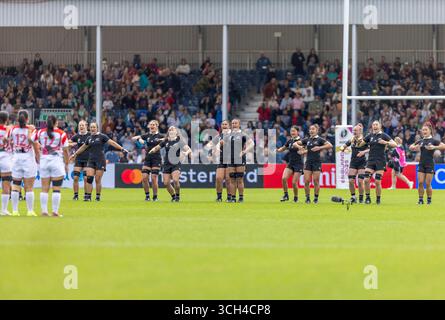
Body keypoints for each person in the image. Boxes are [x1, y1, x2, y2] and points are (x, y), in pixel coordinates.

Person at [70, 122, 127, 201]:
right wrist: (75, 154)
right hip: (91, 160)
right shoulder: (89, 138)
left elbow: (112, 142)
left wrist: (122, 148)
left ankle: (97, 196)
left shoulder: (102, 136)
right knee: (89, 179)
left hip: (100, 160)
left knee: (97, 179)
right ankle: (88, 197)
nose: (92, 129)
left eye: (94, 127)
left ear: (97, 128)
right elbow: (83, 147)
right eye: (91, 127)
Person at [34, 115, 69, 217]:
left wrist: (38, 150)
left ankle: (44, 211)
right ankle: (54, 212)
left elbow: (31, 139)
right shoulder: (61, 133)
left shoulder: (40, 132)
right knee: (56, 188)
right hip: (56, 161)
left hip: (44, 160)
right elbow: (66, 150)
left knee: (44, 188)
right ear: (56, 122)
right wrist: (66, 164)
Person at [7, 110, 39, 217]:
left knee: (15, 185)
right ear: (27, 119)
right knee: (29, 186)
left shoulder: (13, 129)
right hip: (28, 157)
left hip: (16, 157)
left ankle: (15, 211)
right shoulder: (31, 129)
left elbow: (6, 139)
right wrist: (38, 157)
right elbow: (34, 143)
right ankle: (30, 211)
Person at [148, 126, 192, 202]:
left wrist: (186, 153)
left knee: (175, 180)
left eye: (173, 129)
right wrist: (151, 151)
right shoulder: (166, 141)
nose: (171, 130)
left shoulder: (179, 141)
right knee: (166, 183)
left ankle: (178, 196)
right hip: (166, 164)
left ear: (176, 132)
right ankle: (173, 196)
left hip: (175, 163)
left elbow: (189, 149)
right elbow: (157, 147)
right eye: (170, 129)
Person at [409, 122, 445, 205]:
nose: (424, 131)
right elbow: (411, 146)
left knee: (428, 183)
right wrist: (414, 147)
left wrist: (434, 147)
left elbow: (443, 145)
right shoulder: (421, 141)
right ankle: (420, 200)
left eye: (426, 130)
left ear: (430, 131)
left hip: (430, 164)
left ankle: (429, 200)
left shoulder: (434, 140)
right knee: (420, 182)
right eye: (423, 130)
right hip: (421, 163)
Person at [363, 120, 397, 205]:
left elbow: (395, 144)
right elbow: (362, 143)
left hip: (380, 161)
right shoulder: (369, 136)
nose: (375, 126)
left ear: (380, 126)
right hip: (370, 160)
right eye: (373, 124)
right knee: (366, 179)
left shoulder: (384, 135)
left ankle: (378, 199)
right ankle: (367, 197)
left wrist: (385, 142)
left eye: (376, 124)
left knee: (377, 182)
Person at [132, 120, 165, 202]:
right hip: (148, 158)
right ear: (149, 126)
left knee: (154, 178)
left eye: (153, 124)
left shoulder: (160, 135)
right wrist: (139, 139)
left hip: (156, 158)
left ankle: (155, 196)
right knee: (144, 178)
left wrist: (163, 140)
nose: (152, 126)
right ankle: (147, 196)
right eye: (150, 125)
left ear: (157, 126)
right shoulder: (147, 135)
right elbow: (133, 138)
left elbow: (166, 140)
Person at [300, 124, 333, 204]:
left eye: (313, 129)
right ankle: (307, 198)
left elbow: (330, 145)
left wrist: (320, 148)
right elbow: (296, 143)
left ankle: (315, 198)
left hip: (316, 162)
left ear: (317, 130)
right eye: (310, 129)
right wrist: (300, 148)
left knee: (316, 181)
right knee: (307, 181)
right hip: (308, 162)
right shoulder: (307, 140)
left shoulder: (320, 139)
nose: (311, 130)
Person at [226, 119, 254, 203]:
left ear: (239, 124)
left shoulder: (243, 134)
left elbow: (252, 143)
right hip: (230, 159)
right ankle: (233, 197)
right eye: (233, 123)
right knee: (232, 179)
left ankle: (241, 197)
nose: (234, 124)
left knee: (240, 179)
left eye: (236, 123)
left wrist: (244, 151)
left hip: (240, 158)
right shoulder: (228, 135)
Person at [339, 124, 368, 203]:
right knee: (351, 180)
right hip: (353, 162)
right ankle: (353, 197)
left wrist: (363, 152)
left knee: (360, 181)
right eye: (353, 130)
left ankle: (361, 198)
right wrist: (344, 149)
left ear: (360, 131)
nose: (354, 132)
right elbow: (342, 147)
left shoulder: (364, 140)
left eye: (355, 130)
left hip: (362, 162)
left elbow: (370, 149)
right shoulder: (351, 140)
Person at [277, 126, 304, 203]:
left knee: (294, 183)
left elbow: (303, 149)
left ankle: (296, 198)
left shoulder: (301, 141)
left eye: (294, 131)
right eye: (291, 131)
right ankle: (286, 195)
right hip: (290, 163)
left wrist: (300, 148)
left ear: (297, 132)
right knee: (284, 178)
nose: (292, 133)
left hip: (298, 164)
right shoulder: (289, 141)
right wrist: (278, 150)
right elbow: (283, 148)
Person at [208, 120, 232, 202]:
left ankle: (229, 197)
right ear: (221, 126)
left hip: (230, 160)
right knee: (218, 178)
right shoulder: (218, 136)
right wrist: (210, 154)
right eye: (223, 124)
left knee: (229, 179)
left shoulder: (232, 135)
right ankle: (219, 197)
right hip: (221, 160)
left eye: (226, 124)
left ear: (229, 126)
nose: (224, 125)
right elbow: (211, 145)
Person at [69, 120, 90, 200]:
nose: (81, 127)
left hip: (87, 159)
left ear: (86, 126)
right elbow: (67, 142)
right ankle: (76, 195)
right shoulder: (76, 136)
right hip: (78, 159)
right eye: (80, 125)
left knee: (85, 178)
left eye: (82, 125)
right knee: (75, 178)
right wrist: (71, 144)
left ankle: (86, 195)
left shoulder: (89, 135)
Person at [0, 111, 12, 216]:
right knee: (6, 183)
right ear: (6, 119)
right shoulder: (9, 129)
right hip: (5, 157)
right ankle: (3, 210)